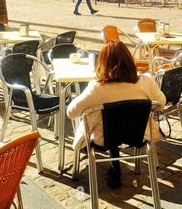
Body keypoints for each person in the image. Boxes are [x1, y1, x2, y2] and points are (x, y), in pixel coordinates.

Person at [67, 41, 166, 188]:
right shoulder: (146, 81)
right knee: (119, 119)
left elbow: (71, 113)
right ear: (129, 59)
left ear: (102, 63)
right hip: (138, 133)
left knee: (105, 121)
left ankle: (113, 168)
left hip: (104, 138)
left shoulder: (96, 88)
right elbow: (162, 102)